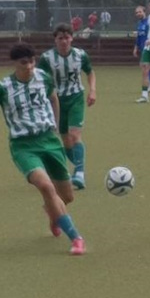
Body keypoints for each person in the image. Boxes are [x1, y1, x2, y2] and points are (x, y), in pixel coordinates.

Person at [0, 43, 86, 255]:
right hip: (24, 146)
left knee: (67, 196)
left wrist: (55, 125)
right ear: (15, 64)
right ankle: (76, 238)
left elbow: (53, 98)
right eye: (23, 63)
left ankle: (53, 214)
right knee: (46, 187)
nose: (29, 66)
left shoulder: (43, 78)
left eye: (32, 61)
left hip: (49, 141)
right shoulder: (3, 88)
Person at [37, 24, 96, 190]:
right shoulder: (47, 58)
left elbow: (90, 72)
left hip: (76, 98)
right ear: (55, 40)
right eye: (60, 38)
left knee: (74, 134)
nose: (64, 41)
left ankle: (80, 173)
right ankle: (75, 168)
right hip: (56, 102)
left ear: (72, 38)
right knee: (66, 141)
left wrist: (92, 90)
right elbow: (38, 78)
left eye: (67, 37)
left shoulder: (80, 55)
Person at [133, 4, 150, 94]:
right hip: (142, 48)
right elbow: (138, 37)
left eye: (140, 12)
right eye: (136, 12)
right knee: (145, 66)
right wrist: (136, 48)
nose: (138, 14)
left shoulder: (148, 23)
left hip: (148, 48)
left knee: (146, 66)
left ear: (144, 12)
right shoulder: (140, 23)